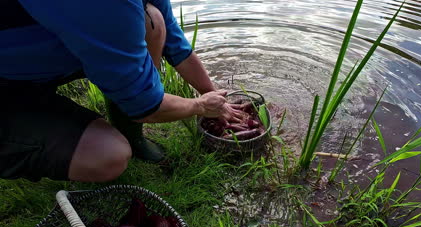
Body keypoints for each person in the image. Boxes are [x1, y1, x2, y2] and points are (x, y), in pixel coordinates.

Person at [0, 0, 243, 182]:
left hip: (27, 59)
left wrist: (215, 97)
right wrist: (199, 106)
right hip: (8, 85)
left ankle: (131, 134)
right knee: (109, 155)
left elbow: (177, 47)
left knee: (152, 20)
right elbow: (147, 107)